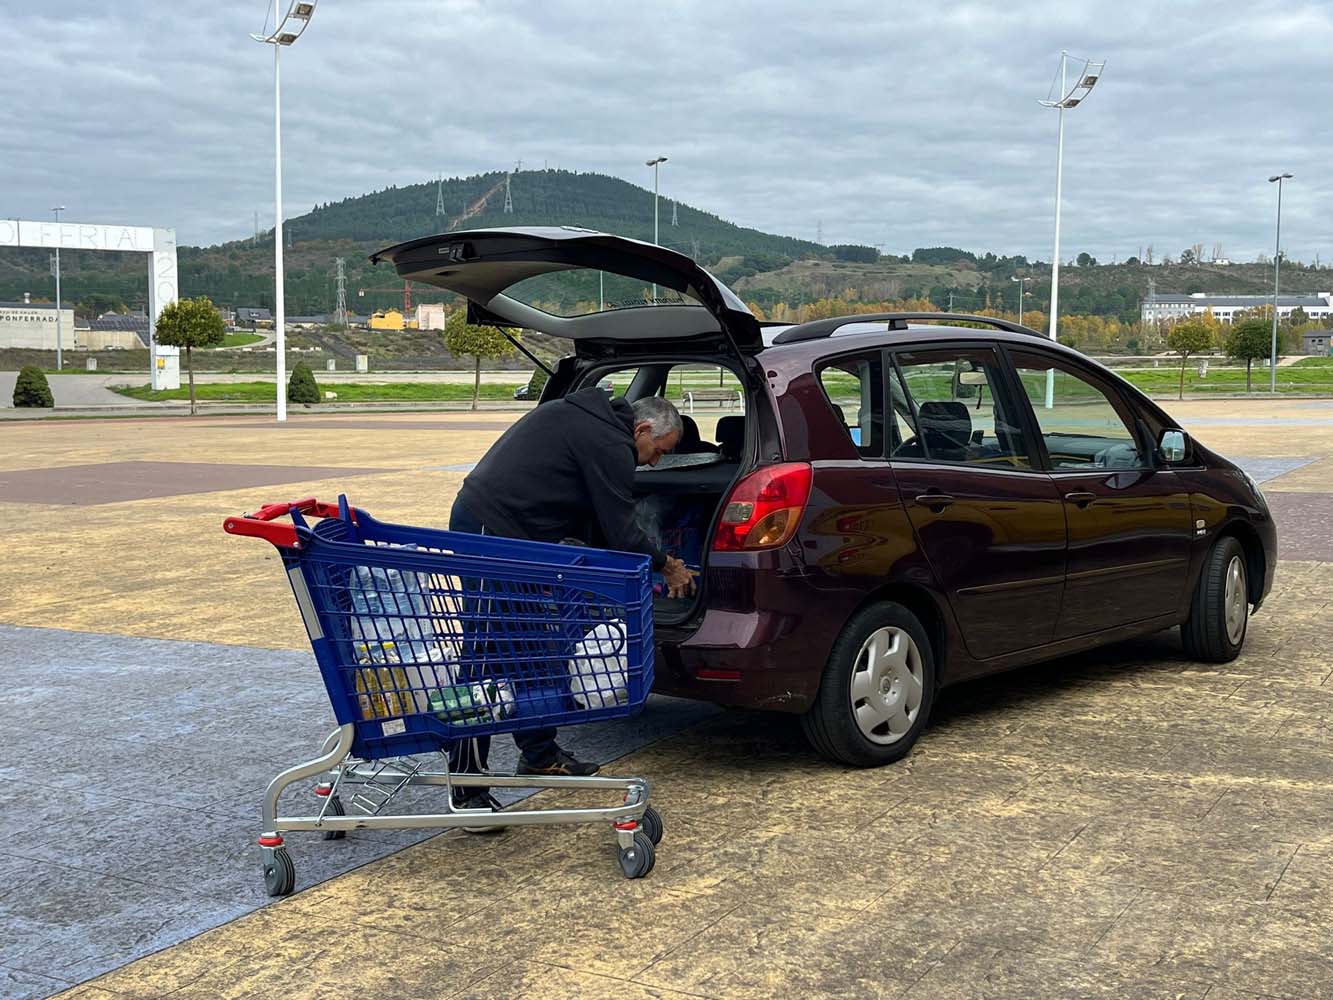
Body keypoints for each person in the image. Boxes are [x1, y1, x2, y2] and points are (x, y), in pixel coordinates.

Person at [447, 388, 697, 828]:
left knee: (533, 646)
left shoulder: (592, 421)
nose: (655, 464)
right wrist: (667, 565)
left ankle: (540, 755)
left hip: (517, 536)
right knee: (487, 655)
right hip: (491, 530)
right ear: (641, 430)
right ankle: (465, 789)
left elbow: (595, 524)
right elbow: (618, 530)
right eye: (658, 452)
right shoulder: (609, 443)